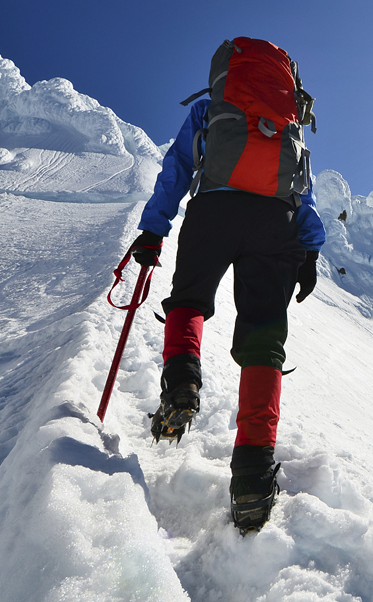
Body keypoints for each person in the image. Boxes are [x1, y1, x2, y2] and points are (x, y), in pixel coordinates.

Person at [128, 44, 325, 532]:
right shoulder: (288, 124)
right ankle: (253, 476)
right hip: (276, 225)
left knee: (190, 299)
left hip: (213, 212)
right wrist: (309, 251)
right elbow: (302, 190)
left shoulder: (210, 110)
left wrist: (154, 228)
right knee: (263, 340)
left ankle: (181, 381)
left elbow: (178, 166)